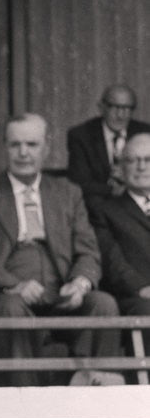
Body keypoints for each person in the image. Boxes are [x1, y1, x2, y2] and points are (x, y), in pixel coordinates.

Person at [0, 112, 120, 386]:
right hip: (7, 295)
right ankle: (28, 401)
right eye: (15, 144)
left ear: (46, 147)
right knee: (12, 308)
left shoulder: (68, 193)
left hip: (61, 292)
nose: (23, 153)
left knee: (103, 304)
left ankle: (95, 399)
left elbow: (87, 249)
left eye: (31, 144)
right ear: (4, 147)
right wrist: (14, 284)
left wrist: (80, 283)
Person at [90, 133, 150, 348]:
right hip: (137, 297)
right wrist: (142, 288)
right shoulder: (105, 211)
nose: (141, 167)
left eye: (148, 159)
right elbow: (111, 260)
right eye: (133, 160)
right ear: (122, 168)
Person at [67, 84, 150, 206]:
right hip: (98, 205)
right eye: (115, 107)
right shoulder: (81, 135)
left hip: (139, 204)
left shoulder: (145, 132)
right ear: (102, 107)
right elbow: (78, 181)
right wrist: (113, 190)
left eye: (127, 108)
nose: (120, 115)